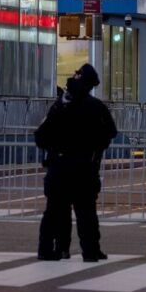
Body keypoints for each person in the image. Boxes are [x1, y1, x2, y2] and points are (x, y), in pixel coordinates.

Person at [35, 64, 117, 262]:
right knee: (86, 212)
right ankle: (90, 251)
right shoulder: (96, 107)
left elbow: (41, 136)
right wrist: (94, 150)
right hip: (84, 167)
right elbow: (110, 132)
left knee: (55, 211)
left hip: (60, 165)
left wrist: (55, 148)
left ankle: (51, 249)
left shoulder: (59, 106)